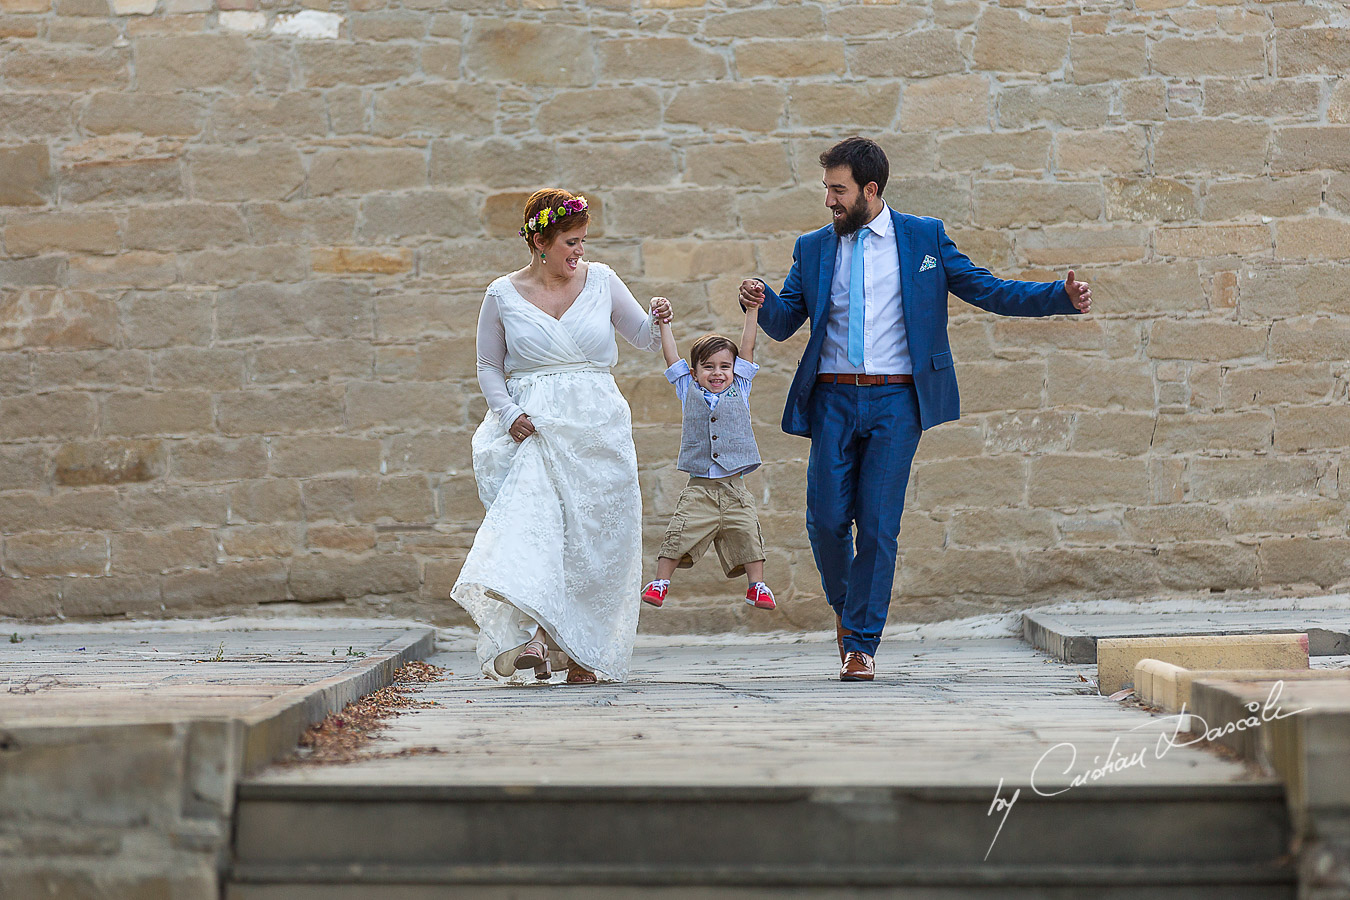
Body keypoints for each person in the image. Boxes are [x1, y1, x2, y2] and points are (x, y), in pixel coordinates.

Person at [739, 136, 1092, 682]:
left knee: (878, 526)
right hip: (832, 397)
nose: (829, 201)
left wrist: (1057, 297)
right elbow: (787, 321)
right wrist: (763, 301)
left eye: (838, 190)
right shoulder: (813, 247)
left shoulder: (922, 237)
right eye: (827, 189)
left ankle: (860, 643)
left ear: (870, 190)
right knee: (826, 521)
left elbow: (988, 289)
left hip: (896, 401)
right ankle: (848, 606)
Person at [452, 188, 672, 685]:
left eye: (583, 242)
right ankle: (534, 639)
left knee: (593, 541)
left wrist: (658, 318)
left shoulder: (603, 281)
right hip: (533, 431)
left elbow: (640, 336)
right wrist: (508, 414)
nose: (579, 252)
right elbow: (489, 366)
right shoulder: (501, 294)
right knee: (540, 533)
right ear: (540, 243)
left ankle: (579, 651)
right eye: (570, 242)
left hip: (597, 428)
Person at [640, 303, 776, 612]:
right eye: (709, 367)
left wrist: (752, 311)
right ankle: (661, 582)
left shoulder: (740, 387)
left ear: (734, 369)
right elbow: (671, 356)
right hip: (700, 488)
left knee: (748, 533)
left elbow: (748, 346)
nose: (717, 373)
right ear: (694, 372)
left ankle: (757, 586)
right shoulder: (687, 389)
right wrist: (664, 324)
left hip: (735, 488)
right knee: (678, 532)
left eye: (724, 366)